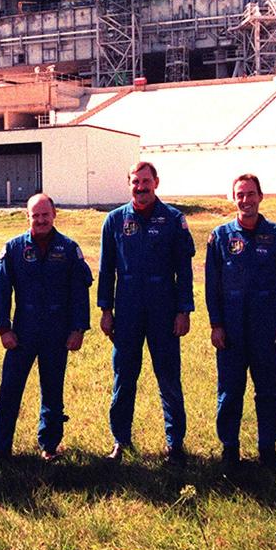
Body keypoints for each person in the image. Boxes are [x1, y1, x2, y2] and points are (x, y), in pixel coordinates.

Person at [98, 161, 195, 463]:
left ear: (156, 182)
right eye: (135, 182)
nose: (141, 187)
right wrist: (105, 309)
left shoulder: (174, 220)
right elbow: (106, 270)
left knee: (168, 377)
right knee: (124, 376)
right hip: (127, 309)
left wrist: (184, 310)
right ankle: (120, 440)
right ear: (129, 185)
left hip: (163, 309)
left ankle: (175, 443)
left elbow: (185, 270)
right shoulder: (114, 221)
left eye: (145, 181)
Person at [205, 173, 276, 472]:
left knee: (269, 391)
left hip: (267, 327)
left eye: (250, 194)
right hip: (231, 329)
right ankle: (230, 449)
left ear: (261, 196)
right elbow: (212, 286)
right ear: (233, 199)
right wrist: (216, 325)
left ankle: (267, 448)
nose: (245, 200)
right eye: (240, 195)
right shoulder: (220, 237)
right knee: (230, 391)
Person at [0, 193, 93, 460]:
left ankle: (49, 446)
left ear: (54, 214)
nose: (41, 220)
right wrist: (4, 328)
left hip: (57, 332)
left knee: (52, 390)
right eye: (35, 215)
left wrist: (78, 328)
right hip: (23, 331)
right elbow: (1, 291)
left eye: (45, 214)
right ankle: (0, 449)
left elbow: (79, 292)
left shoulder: (69, 249)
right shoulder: (13, 249)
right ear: (28, 217)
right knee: (10, 390)